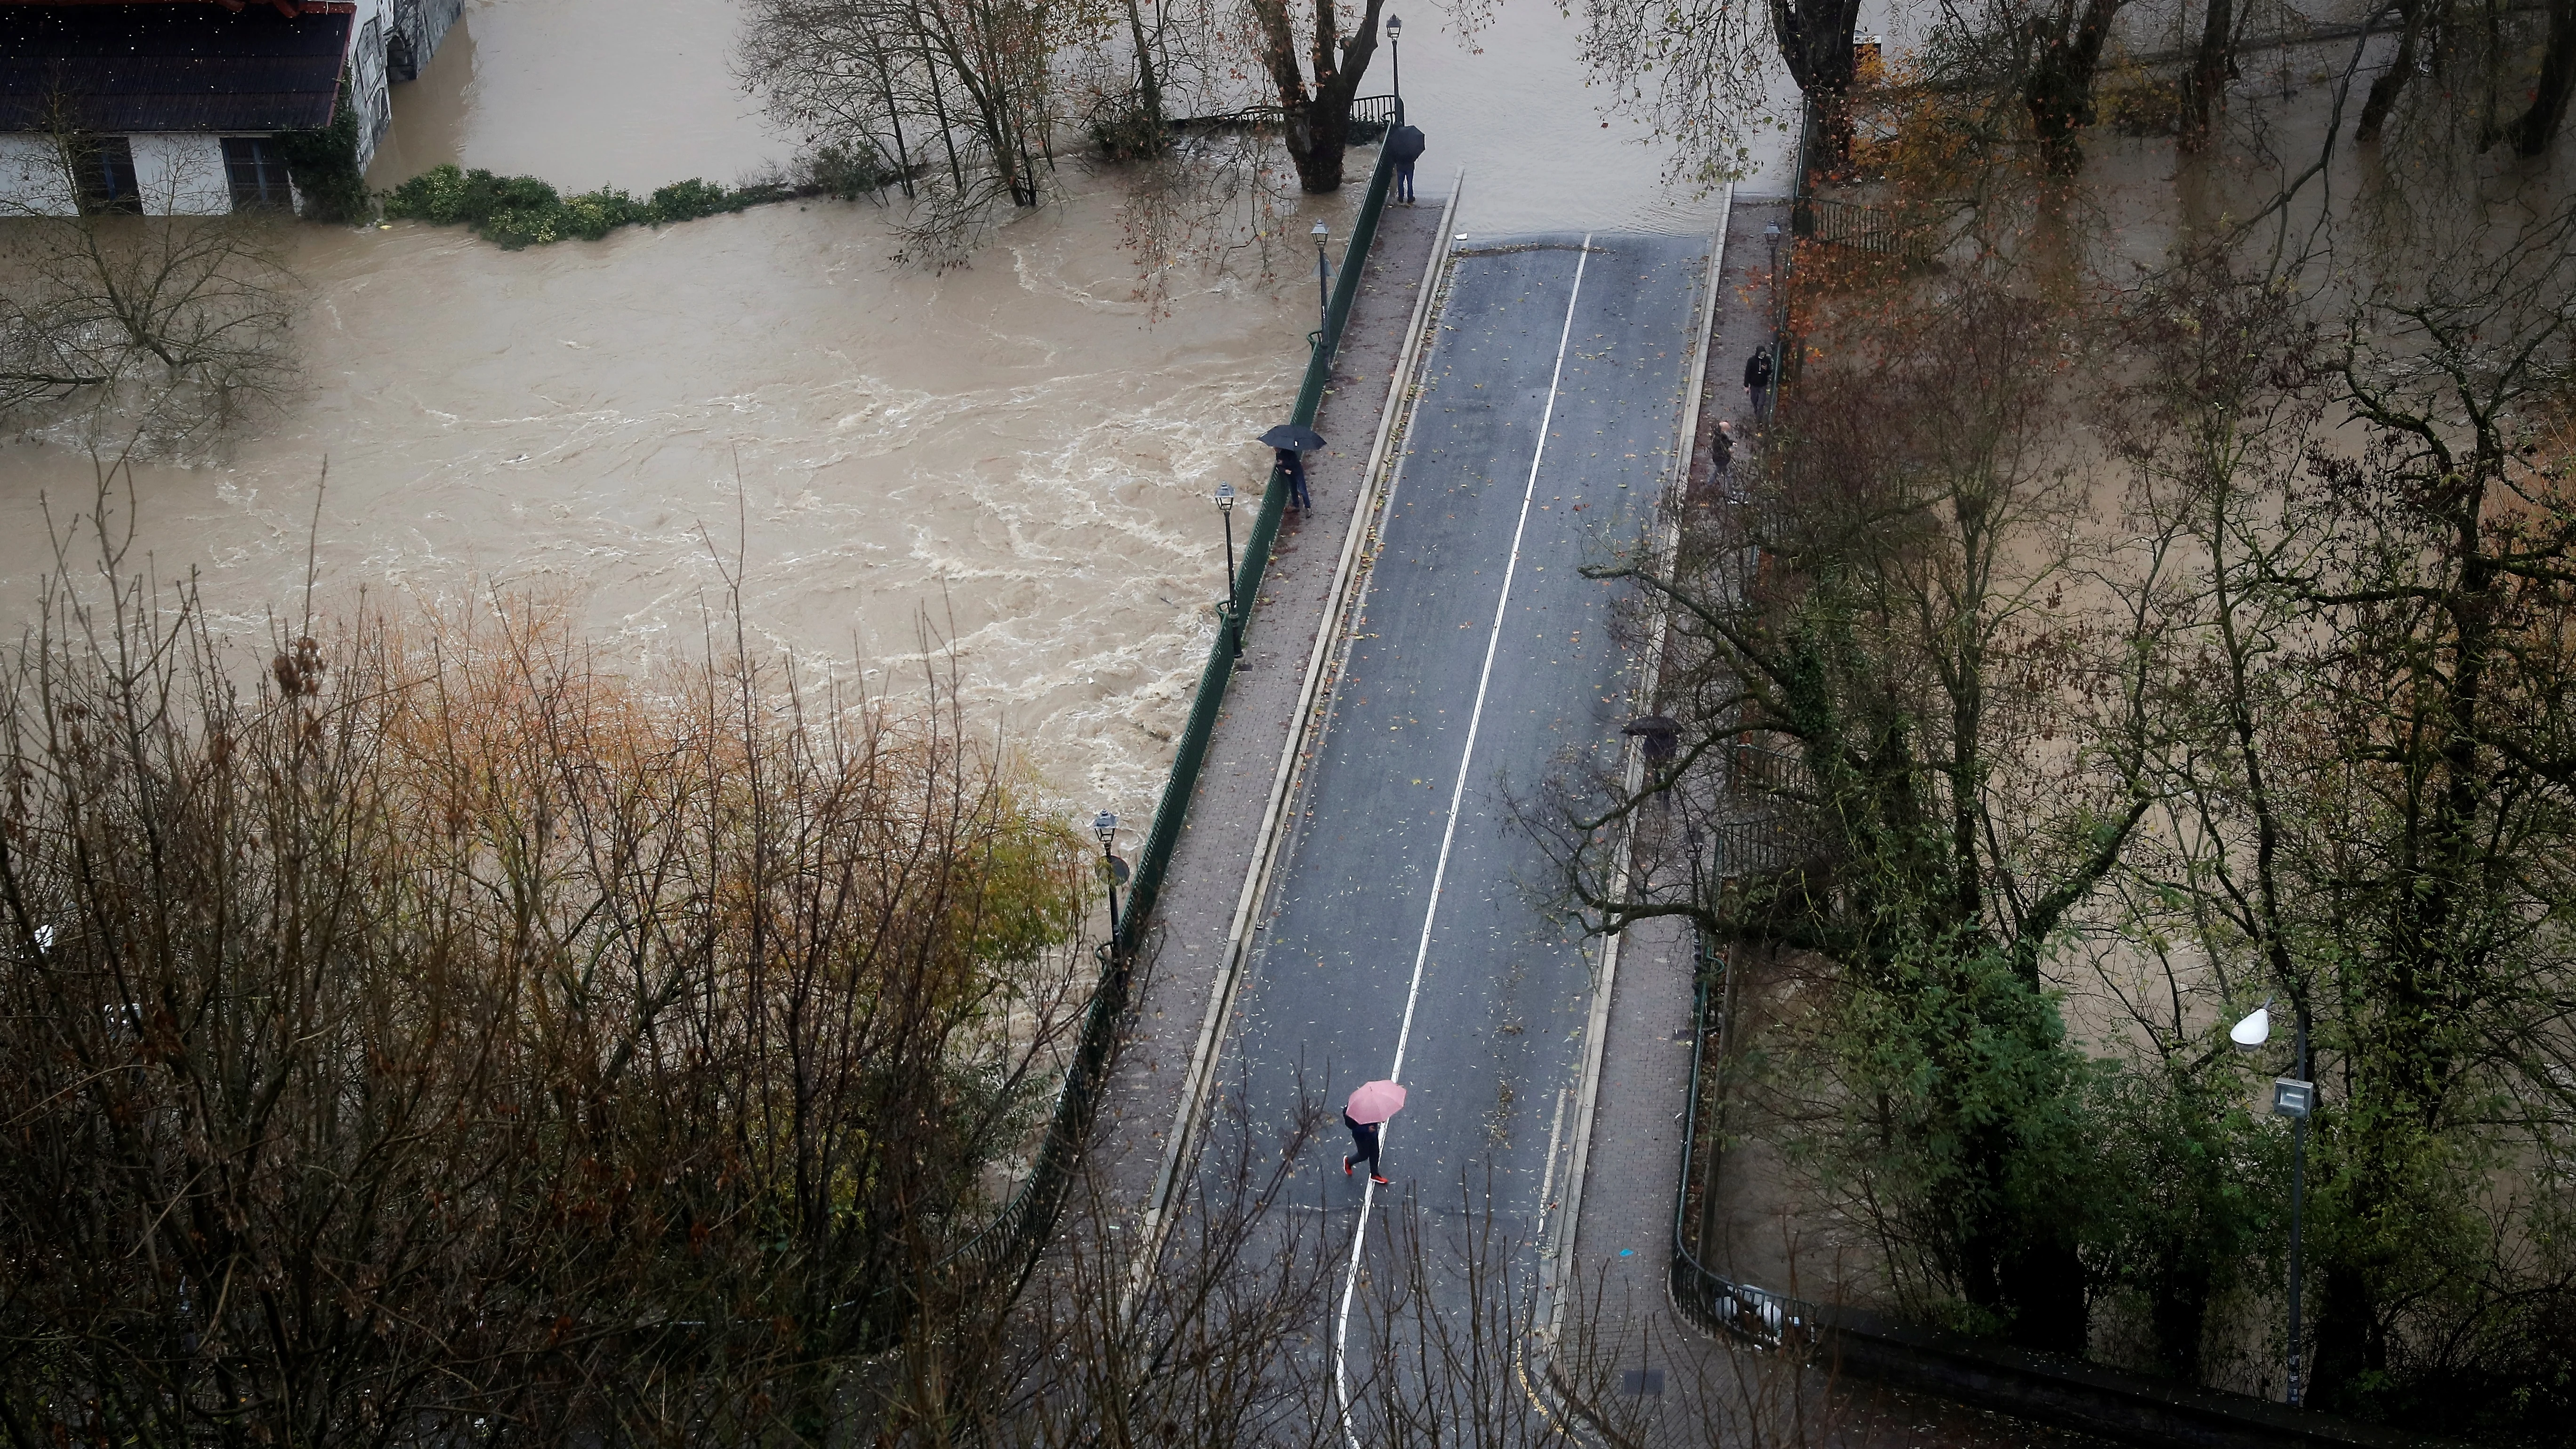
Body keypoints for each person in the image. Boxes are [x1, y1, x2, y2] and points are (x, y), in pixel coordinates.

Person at [1344, 1109, 1389, 1185]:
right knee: (1363, 1155)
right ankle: (1348, 1162)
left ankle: (1375, 1175)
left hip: (1373, 1134)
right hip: (1362, 1138)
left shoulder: (1373, 1105)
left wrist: (1380, 1119)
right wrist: (1367, 1129)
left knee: (1375, 1153)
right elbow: (1353, 1127)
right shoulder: (1352, 1110)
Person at [1387, 124, 1425, 204]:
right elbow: (1414, 156)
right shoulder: (1411, 147)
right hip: (1410, 167)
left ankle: (1401, 198)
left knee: (1400, 182)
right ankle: (1410, 198)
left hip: (1400, 167)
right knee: (1410, 183)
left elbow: (1393, 155)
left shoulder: (1397, 147)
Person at [1277, 445, 1312, 510]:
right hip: (1290, 474)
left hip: (1297, 471)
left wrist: (1283, 463)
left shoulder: (1289, 451)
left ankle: (1308, 507)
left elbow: (1294, 462)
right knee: (1293, 489)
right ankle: (1296, 505)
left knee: (1302, 490)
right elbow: (1279, 466)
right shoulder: (1278, 455)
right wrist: (1285, 470)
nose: (1274, 449)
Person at [1744, 346, 1774, 419]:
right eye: (1761, 354)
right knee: (1754, 400)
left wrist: (1766, 370)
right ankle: (1756, 409)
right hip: (1754, 385)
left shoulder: (1766, 360)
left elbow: (1770, 371)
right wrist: (1746, 385)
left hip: (1763, 385)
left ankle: (1759, 417)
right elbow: (1747, 373)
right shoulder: (1751, 361)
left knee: (1761, 402)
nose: (1763, 356)